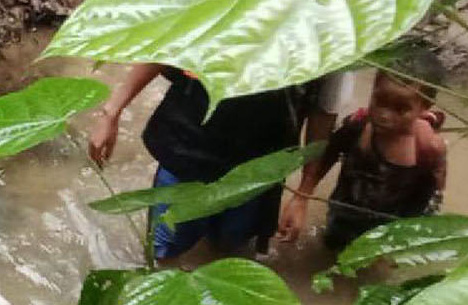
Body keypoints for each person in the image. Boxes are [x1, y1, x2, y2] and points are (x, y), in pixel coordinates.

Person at [87, 65, 353, 261]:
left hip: (257, 169)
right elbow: (161, 54)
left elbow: (323, 113)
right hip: (188, 147)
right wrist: (111, 112)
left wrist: (303, 195)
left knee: (230, 248)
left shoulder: (332, 33)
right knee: (162, 250)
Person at [277, 66, 447, 251]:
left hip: (388, 229)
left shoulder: (427, 148)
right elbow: (328, 155)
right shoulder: (359, 126)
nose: (384, 115)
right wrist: (301, 198)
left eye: (400, 109)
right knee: (330, 248)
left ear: (425, 107)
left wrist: (407, 240)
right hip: (342, 215)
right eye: (379, 101)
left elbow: (430, 199)